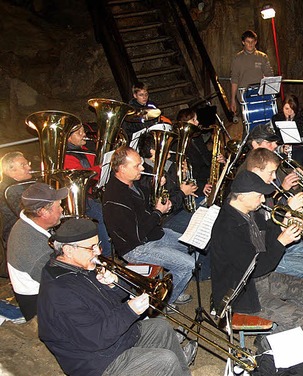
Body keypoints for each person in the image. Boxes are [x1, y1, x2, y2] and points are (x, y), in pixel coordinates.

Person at [38, 218, 195, 376]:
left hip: (114, 339)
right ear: (69, 250)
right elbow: (95, 338)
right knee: (165, 361)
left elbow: (119, 298)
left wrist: (114, 285)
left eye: (98, 245)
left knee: (162, 328)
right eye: (91, 248)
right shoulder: (59, 292)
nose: (98, 252)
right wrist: (130, 310)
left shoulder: (82, 265)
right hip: (96, 361)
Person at [209, 170, 303, 333]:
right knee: (297, 318)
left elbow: (265, 237)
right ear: (242, 196)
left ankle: (280, 331)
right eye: (259, 195)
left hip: (260, 280)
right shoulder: (228, 228)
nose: (263, 199)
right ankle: (268, 350)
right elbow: (256, 268)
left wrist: (283, 224)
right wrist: (282, 241)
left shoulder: (249, 212)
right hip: (242, 292)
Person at [102, 146, 195, 305]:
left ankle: (174, 287)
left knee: (194, 246)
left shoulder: (132, 182)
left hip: (152, 233)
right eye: (137, 166)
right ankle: (165, 303)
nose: (143, 168)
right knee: (188, 265)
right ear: (122, 169)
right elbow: (137, 235)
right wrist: (158, 212)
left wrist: (156, 185)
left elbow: (144, 209)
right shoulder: (115, 198)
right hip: (136, 247)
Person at [246, 148, 303, 283]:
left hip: (272, 239)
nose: (275, 177)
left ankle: (301, 292)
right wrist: (288, 210)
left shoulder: (266, 187)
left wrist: (290, 219)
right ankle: (292, 296)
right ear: (257, 171)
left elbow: (271, 219)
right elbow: (263, 234)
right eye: (271, 173)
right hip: (263, 253)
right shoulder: (251, 196)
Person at [6, 183, 66, 320]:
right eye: (59, 206)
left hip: (44, 291)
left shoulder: (26, 224)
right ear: (43, 212)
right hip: (40, 307)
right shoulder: (34, 248)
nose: (62, 210)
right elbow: (64, 282)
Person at [64, 125, 112, 256]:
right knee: (103, 214)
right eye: (79, 133)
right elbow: (81, 176)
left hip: (93, 192)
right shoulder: (66, 156)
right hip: (79, 198)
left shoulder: (85, 150)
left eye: (83, 131)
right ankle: (106, 254)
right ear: (68, 138)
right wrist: (100, 168)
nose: (84, 134)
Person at [230, 30, 274, 115]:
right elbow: (234, 80)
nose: (250, 44)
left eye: (252, 42)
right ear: (243, 42)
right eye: (248, 42)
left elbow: (269, 76)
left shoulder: (263, 57)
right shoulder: (237, 59)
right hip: (244, 96)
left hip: (261, 95)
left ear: (256, 42)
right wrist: (233, 100)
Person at [0, 152, 33, 251]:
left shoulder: (10, 186)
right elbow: (31, 215)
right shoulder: (12, 189)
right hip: (22, 240)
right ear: (11, 170)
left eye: (28, 164)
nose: (29, 168)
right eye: (23, 165)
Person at [271, 94, 303, 164]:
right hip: (282, 149)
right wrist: (281, 148)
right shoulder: (276, 119)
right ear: (282, 108)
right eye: (286, 109)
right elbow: (273, 138)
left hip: (298, 149)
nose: (289, 112)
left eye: (292, 109)